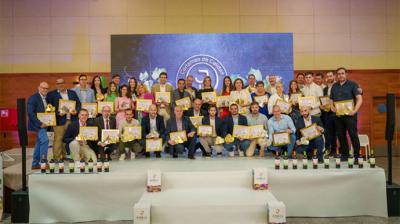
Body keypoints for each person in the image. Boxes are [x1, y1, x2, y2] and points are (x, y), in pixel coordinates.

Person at [330, 67, 362, 161]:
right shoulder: (334, 86)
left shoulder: (353, 84)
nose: (340, 75)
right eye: (339, 74)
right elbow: (331, 99)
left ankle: (357, 156)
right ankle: (345, 155)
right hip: (338, 116)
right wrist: (332, 107)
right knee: (341, 135)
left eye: (342, 73)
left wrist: (355, 110)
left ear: (346, 74)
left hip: (350, 115)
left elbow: (359, 98)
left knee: (353, 135)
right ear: (337, 75)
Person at [47, 78, 81, 160]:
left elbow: (78, 104)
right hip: (59, 120)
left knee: (71, 138)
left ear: (65, 83)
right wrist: (58, 113)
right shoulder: (51, 94)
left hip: (72, 120)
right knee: (58, 139)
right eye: (58, 83)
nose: (60, 85)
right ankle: (57, 158)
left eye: (62, 83)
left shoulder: (72, 93)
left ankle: (66, 155)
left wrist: (76, 111)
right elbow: (48, 107)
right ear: (56, 85)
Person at [28, 82, 50, 169]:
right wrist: (40, 124)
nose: (45, 90)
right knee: (45, 141)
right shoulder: (33, 98)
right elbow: (30, 113)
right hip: (38, 125)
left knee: (39, 143)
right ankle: (43, 162)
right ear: (38, 88)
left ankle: (35, 164)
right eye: (43, 88)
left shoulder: (46, 98)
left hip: (44, 124)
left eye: (46, 88)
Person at [321, 71, 337, 155]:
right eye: (327, 76)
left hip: (336, 112)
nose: (329, 78)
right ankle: (330, 150)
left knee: (336, 132)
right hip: (327, 113)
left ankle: (336, 150)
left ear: (334, 76)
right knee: (328, 132)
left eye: (330, 76)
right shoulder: (325, 89)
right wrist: (322, 106)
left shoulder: (338, 86)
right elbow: (323, 100)